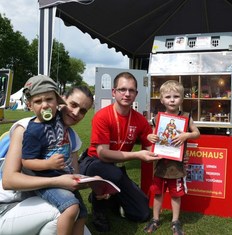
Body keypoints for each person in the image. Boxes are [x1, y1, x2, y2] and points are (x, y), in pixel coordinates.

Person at [0, 80, 94, 235]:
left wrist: (92, 183)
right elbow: (9, 181)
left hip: (44, 198)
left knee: (81, 223)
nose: (76, 113)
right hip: (10, 204)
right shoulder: (27, 127)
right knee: (66, 211)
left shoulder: (72, 137)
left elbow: (72, 177)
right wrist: (57, 180)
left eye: (83, 111)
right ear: (62, 99)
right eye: (73, 105)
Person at [79, 72, 161, 232]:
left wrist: (171, 154)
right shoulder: (102, 116)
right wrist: (137, 155)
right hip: (95, 163)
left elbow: (150, 149)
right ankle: (99, 207)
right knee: (111, 173)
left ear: (136, 94)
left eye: (131, 90)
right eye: (122, 89)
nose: (127, 94)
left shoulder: (140, 120)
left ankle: (112, 198)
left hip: (117, 168)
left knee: (142, 213)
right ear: (113, 92)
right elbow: (103, 154)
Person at [144, 80, 200, 235]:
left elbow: (197, 133)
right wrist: (151, 136)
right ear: (162, 100)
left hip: (177, 165)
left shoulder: (186, 118)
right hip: (160, 163)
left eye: (176, 96)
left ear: (182, 99)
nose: (172, 99)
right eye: (168, 96)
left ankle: (175, 221)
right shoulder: (157, 118)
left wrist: (187, 134)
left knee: (176, 194)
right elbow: (152, 135)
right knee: (157, 192)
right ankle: (155, 218)